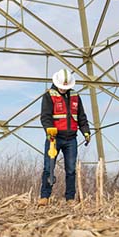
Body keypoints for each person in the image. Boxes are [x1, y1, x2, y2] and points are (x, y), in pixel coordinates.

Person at [38, 68, 91, 206]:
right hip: (54, 139)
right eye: (62, 87)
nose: (63, 89)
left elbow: (81, 117)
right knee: (49, 168)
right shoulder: (49, 95)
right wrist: (49, 129)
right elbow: (45, 116)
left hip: (71, 139)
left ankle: (70, 198)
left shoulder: (75, 96)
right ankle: (44, 196)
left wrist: (86, 131)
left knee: (71, 169)